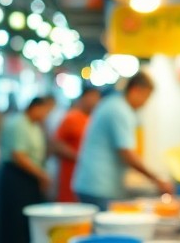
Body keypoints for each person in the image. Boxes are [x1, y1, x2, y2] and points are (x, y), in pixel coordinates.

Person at [72, 73, 174, 210]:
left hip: (94, 183)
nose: (145, 103)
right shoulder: (119, 110)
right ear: (135, 90)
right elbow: (126, 153)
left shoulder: (114, 104)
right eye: (146, 97)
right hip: (98, 186)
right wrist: (157, 180)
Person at [0, 96, 55, 243]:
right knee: (15, 219)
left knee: (26, 221)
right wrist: (41, 175)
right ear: (36, 108)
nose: (46, 115)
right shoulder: (18, 123)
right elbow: (18, 155)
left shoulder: (34, 125)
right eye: (45, 111)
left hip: (30, 176)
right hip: (17, 176)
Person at [51, 86, 102, 203]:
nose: (96, 101)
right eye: (93, 97)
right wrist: (79, 157)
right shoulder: (72, 117)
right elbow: (56, 144)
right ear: (84, 97)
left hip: (89, 178)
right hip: (71, 175)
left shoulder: (94, 118)